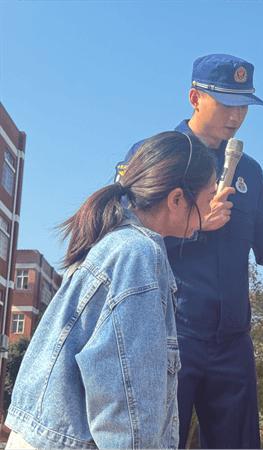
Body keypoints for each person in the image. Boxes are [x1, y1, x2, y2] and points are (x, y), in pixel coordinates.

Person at [116, 53, 263, 449]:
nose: (236, 115)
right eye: (226, 103)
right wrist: (195, 226)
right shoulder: (157, 156)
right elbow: (122, 233)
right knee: (157, 440)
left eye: (243, 105)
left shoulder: (248, 170)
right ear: (195, 97)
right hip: (169, 331)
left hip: (232, 339)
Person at [5, 132, 217, 449]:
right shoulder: (139, 254)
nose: (214, 205)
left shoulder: (116, 243)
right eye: (209, 195)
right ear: (176, 200)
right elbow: (125, 398)